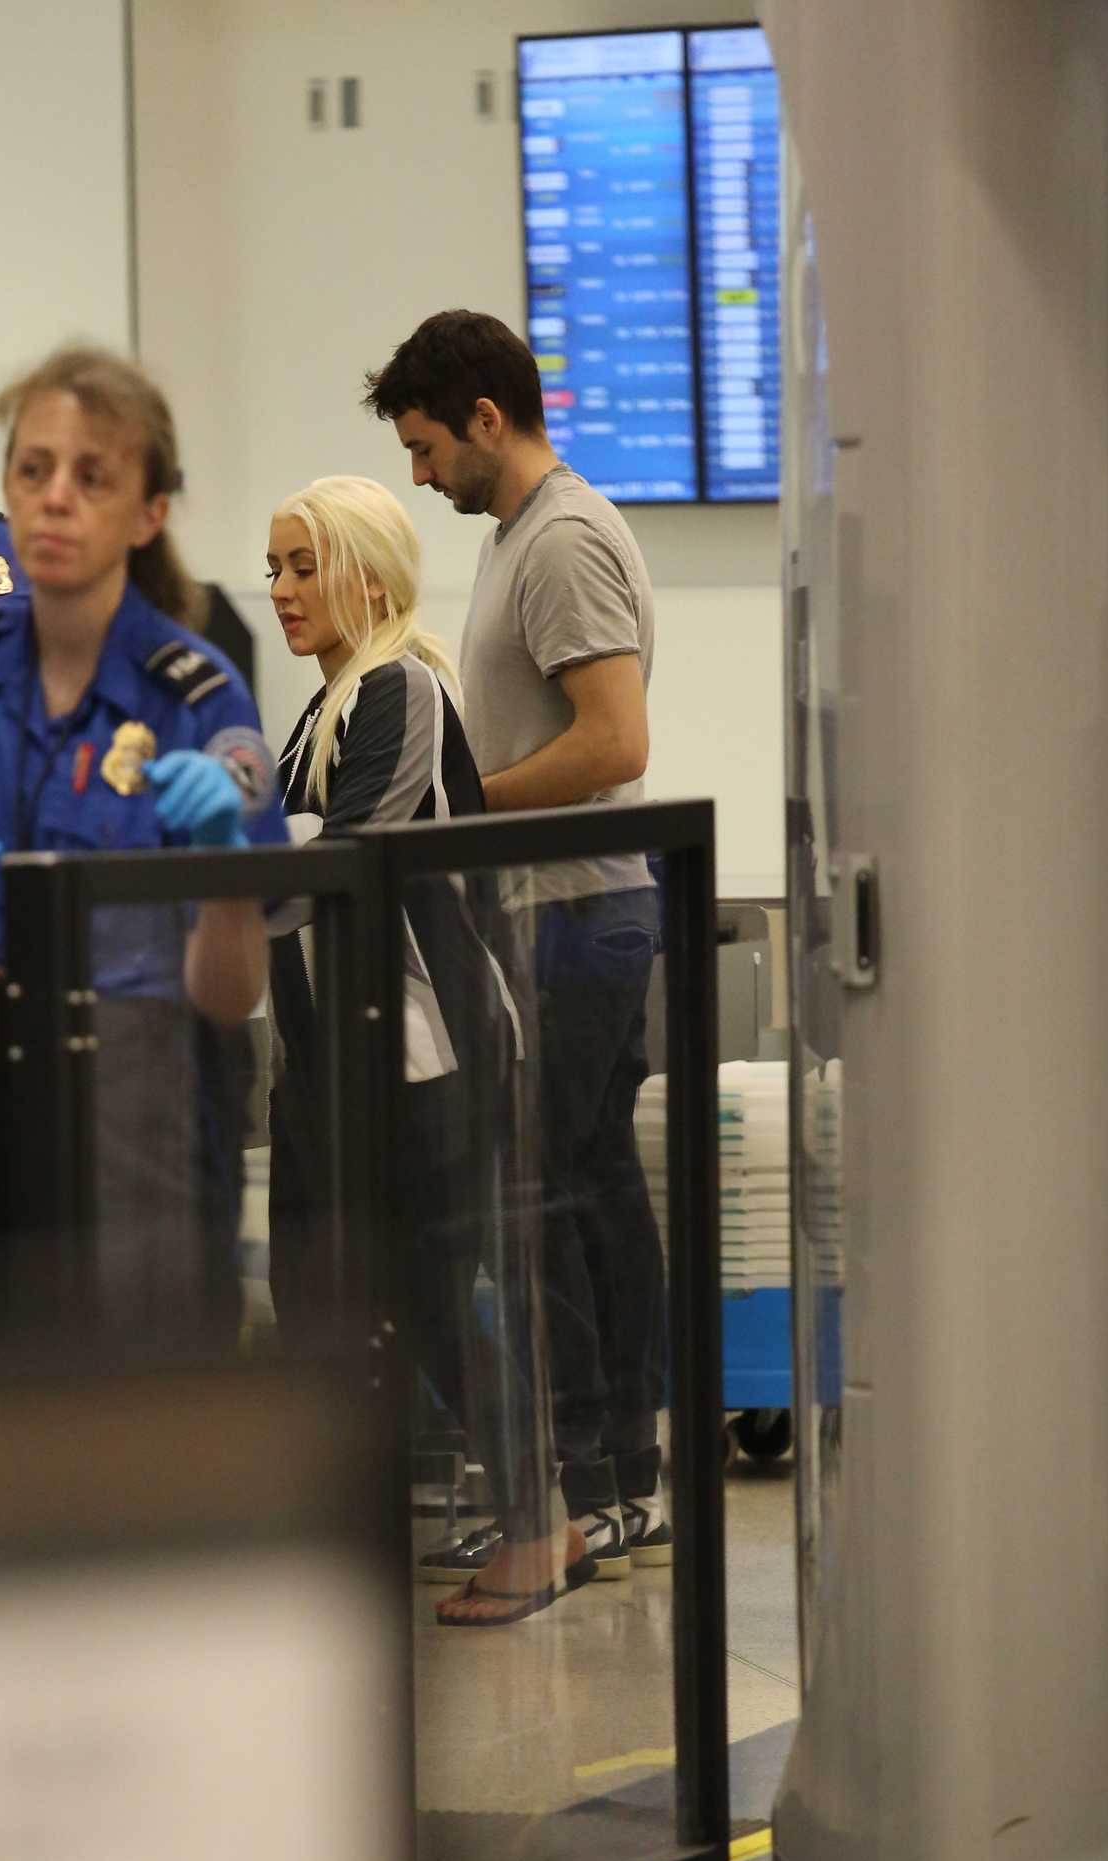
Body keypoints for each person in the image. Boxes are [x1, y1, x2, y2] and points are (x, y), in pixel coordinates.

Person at [365, 308, 673, 1579]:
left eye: (428, 447)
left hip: (579, 914)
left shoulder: (563, 542)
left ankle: (608, 1483)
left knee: (552, 1205)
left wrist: (460, 804)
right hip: (552, 914)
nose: (420, 474)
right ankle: (613, 1478)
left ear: (488, 420)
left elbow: (616, 741)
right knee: (578, 1194)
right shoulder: (518, 538)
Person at [263, 474, 565, 1625]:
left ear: (370, 574)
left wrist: (219, 860)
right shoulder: (325, 705)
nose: (283, 589)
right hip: (333, 1068)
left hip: (425, 1065)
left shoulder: (402, 689)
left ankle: (538, 1526)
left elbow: (338, 864)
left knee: (433, 1304)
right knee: (312, 1297)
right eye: (276, 567)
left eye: (305, 566)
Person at [0, 345, 286, 1330]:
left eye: (92, 476)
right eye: (34, 470)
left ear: (149, 513)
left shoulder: (198, 700)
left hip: (139, 1129)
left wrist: (224, 869)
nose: (55, 499)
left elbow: (230, 998)